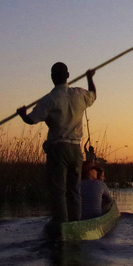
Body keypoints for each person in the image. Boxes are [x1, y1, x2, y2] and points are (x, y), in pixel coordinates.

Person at [17, 63, 96, 232]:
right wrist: (90, 78)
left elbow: (32, 120)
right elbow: (93, 95)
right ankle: (75, 226)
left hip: (58, 149)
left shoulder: (49, 100)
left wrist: (23, 115)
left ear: (52, 77)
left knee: (59, 190)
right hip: (76, 151)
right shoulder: (79, 94)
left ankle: (62, 226)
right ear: (68, 75)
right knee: (74, 189)